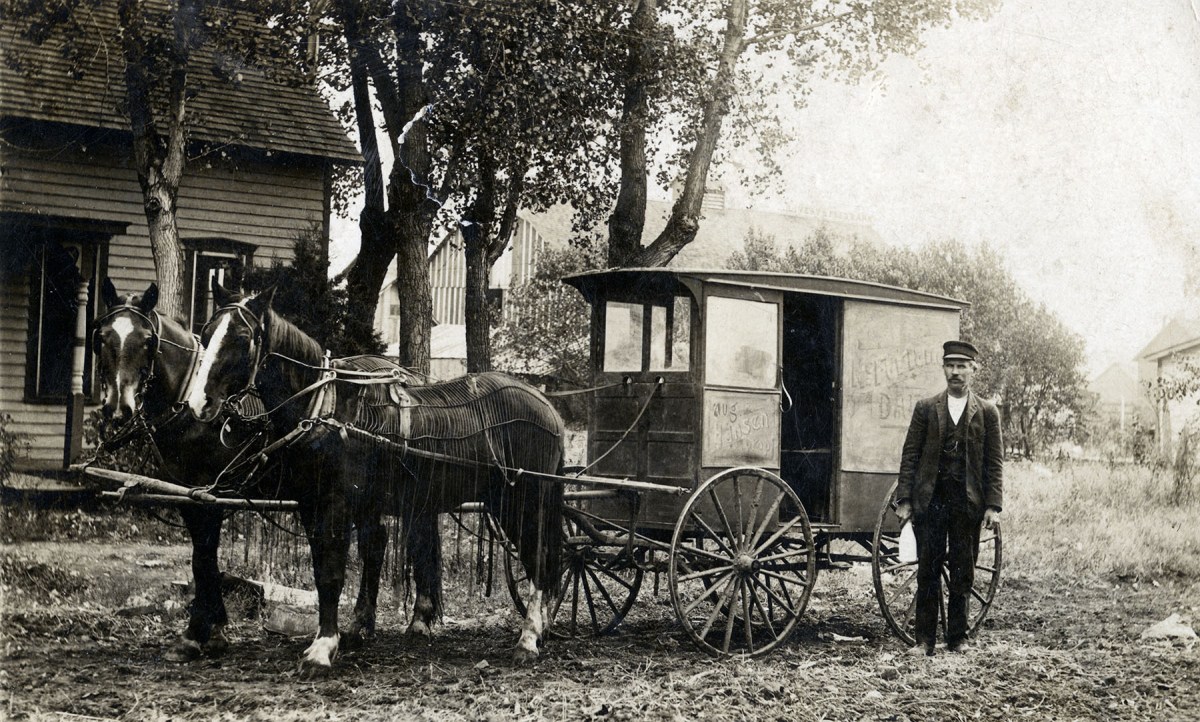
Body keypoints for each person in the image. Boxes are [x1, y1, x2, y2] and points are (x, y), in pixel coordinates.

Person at [894, 340, 1003, 656]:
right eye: (950, 366)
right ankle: (924, 641)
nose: (956, 372)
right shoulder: (926, 409)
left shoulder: (987, 412)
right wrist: (905, 499)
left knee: (962, 571)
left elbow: (994, 462)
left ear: (973, 370)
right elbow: (910, 455)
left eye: (962, 366)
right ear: (943, 368)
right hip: (932, 503)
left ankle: (958, 638)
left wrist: (993, 505)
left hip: (967, 505)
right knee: (928, 570)